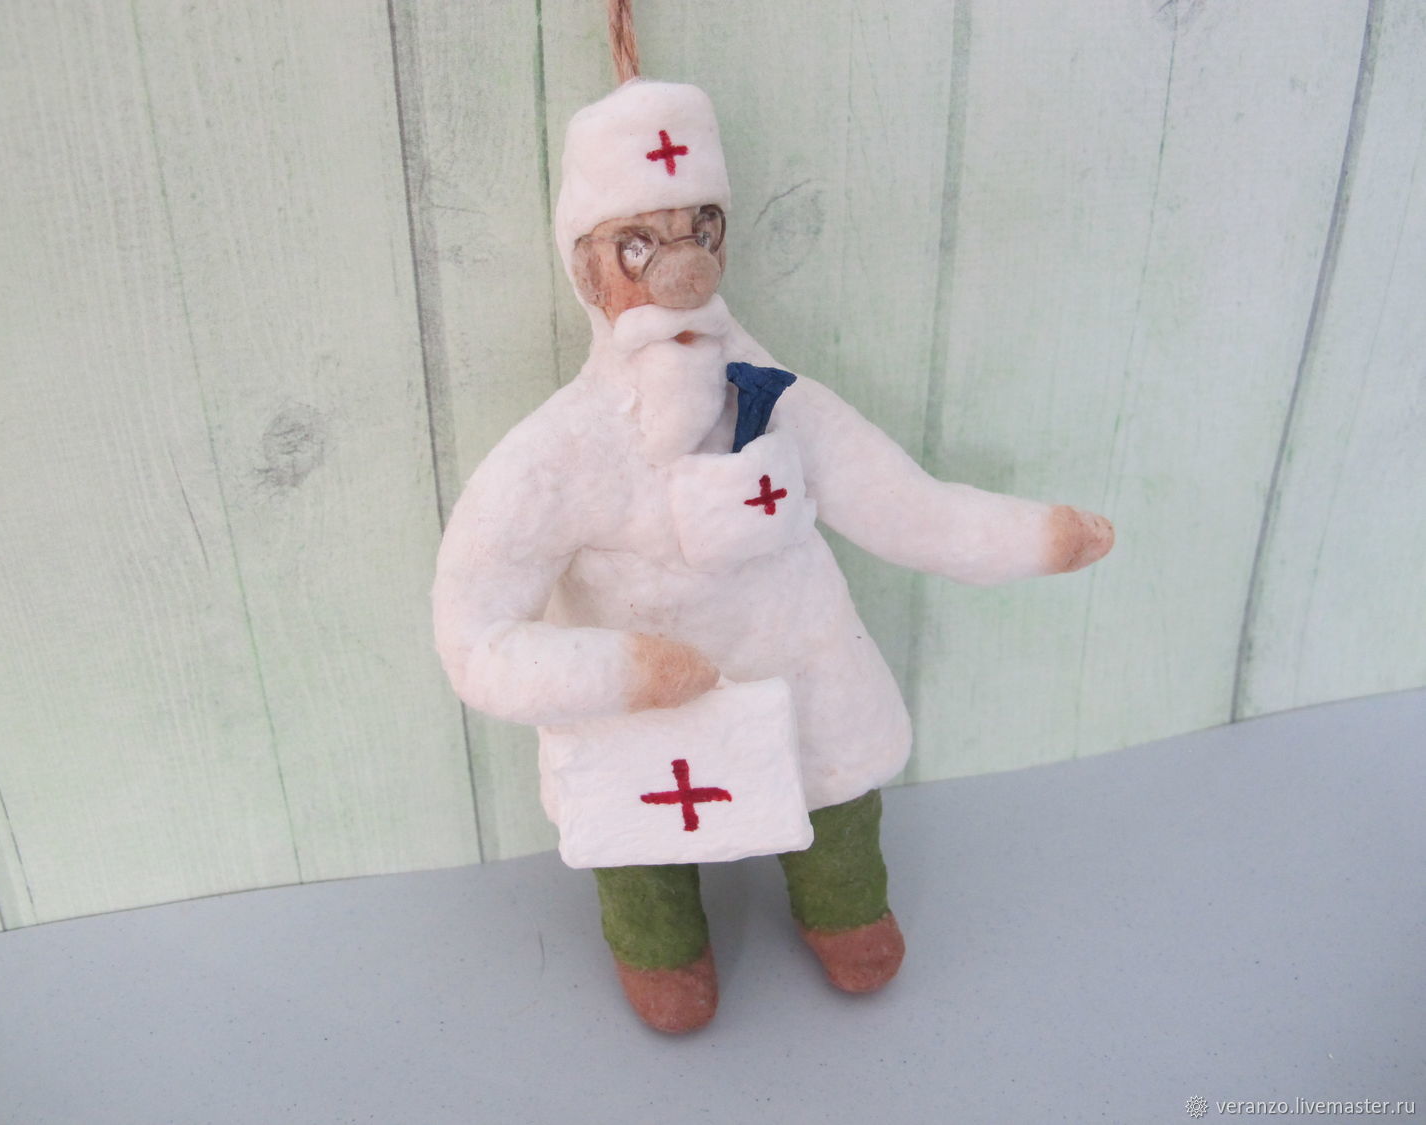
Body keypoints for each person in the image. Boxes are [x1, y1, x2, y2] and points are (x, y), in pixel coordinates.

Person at [432, 79, 1113, 1033]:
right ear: (587, 268)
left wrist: (1037, 537)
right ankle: (659, 944)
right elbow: (474, 636)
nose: (682, 268)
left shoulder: (772, 391)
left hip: (800, 662)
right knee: (642, 843)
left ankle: (844, 906)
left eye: (701, 231)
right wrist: (624, 670)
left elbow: (901, 503)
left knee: (836, 793)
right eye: (640, 245)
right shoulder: (557, 454)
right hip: (650, 716)